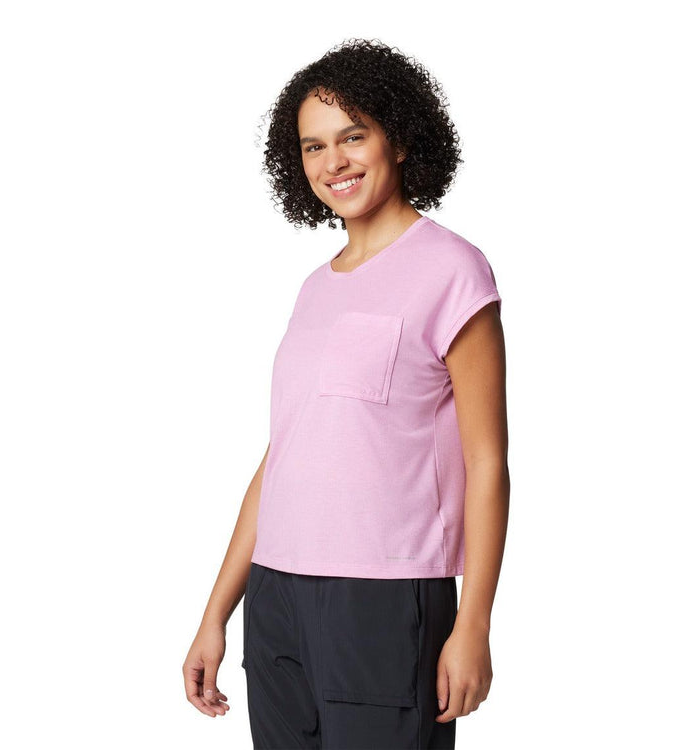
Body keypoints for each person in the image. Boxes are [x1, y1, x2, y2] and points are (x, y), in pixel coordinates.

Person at [183, 38, 510, 749]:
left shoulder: (453, 270)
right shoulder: (314, 289)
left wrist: (474, 623)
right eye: (313, 146)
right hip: (276, 595)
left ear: (400, 138)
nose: (333, 161)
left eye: (353, 136)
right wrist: (217, 612)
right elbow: (282, 458)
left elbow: (487, 462)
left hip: (384, 597)